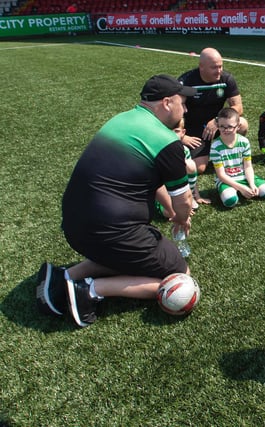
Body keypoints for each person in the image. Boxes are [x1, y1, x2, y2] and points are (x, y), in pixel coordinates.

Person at [36, 74, 197, 328]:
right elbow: (185, 200)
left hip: (74, 226)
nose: (185, 108)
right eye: (183, 102)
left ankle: (64, 276)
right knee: (179, 275)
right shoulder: (167, 141)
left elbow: (147, 179)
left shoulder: (121, 120)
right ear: (167, 102)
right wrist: (180, 216)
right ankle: (89, 290)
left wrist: (167, 208)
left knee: (128, 253)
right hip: (110, 231)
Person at [178, 47, 248, 180]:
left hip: (217, 125)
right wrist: (182, 136)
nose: (219, 71)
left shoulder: (226, 79)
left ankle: (227, 153)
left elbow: (238, 107)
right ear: (201, 67)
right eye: (214, 68)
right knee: (199, 168)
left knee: (242, 124)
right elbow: (175, 113)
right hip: (194, 130)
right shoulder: (187, 82)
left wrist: (217, 121)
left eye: (220, 66)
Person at [209, 108, 265, 208]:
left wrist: (252, 184)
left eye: (230, 127)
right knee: (230, 201)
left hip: (243, 176)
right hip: (226, 180)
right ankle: (231, 191)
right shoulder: (215, 146)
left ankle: (245, 189)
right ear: (217, 125)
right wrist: (241, 188)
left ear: (238, 126)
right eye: (222, 126)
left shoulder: (244, 142)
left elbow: (248, 167)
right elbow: (221, 175)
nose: (226, 130)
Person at [155, 118, 208, 217]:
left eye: (176, 131)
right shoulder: (157, 151)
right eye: (168, 131)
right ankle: (175, 205)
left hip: (181, 190)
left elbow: (190, 176)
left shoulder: (185, 150)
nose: (172, 135)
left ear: (183, 133)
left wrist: (197, 196)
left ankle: (188, 198)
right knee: (169, 213)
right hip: (163, 194)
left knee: (190, 165)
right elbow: (157, 184)